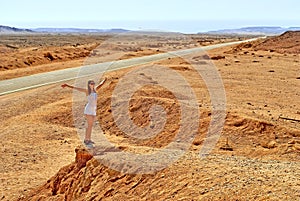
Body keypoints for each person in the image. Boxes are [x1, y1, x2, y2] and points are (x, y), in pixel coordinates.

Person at [61, 78, 106, 145]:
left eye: (93, 83)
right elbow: (76, 88)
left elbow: (101, 84)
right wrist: (67, 85)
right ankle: (86, 139)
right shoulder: (87, 91)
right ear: (88, 85)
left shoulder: (95, 90)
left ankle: (89, 139)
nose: (92, 85)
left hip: (93, 110)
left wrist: (105, 79)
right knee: (89, 125)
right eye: (91, 84)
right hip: (89, 109)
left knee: (90, 125)